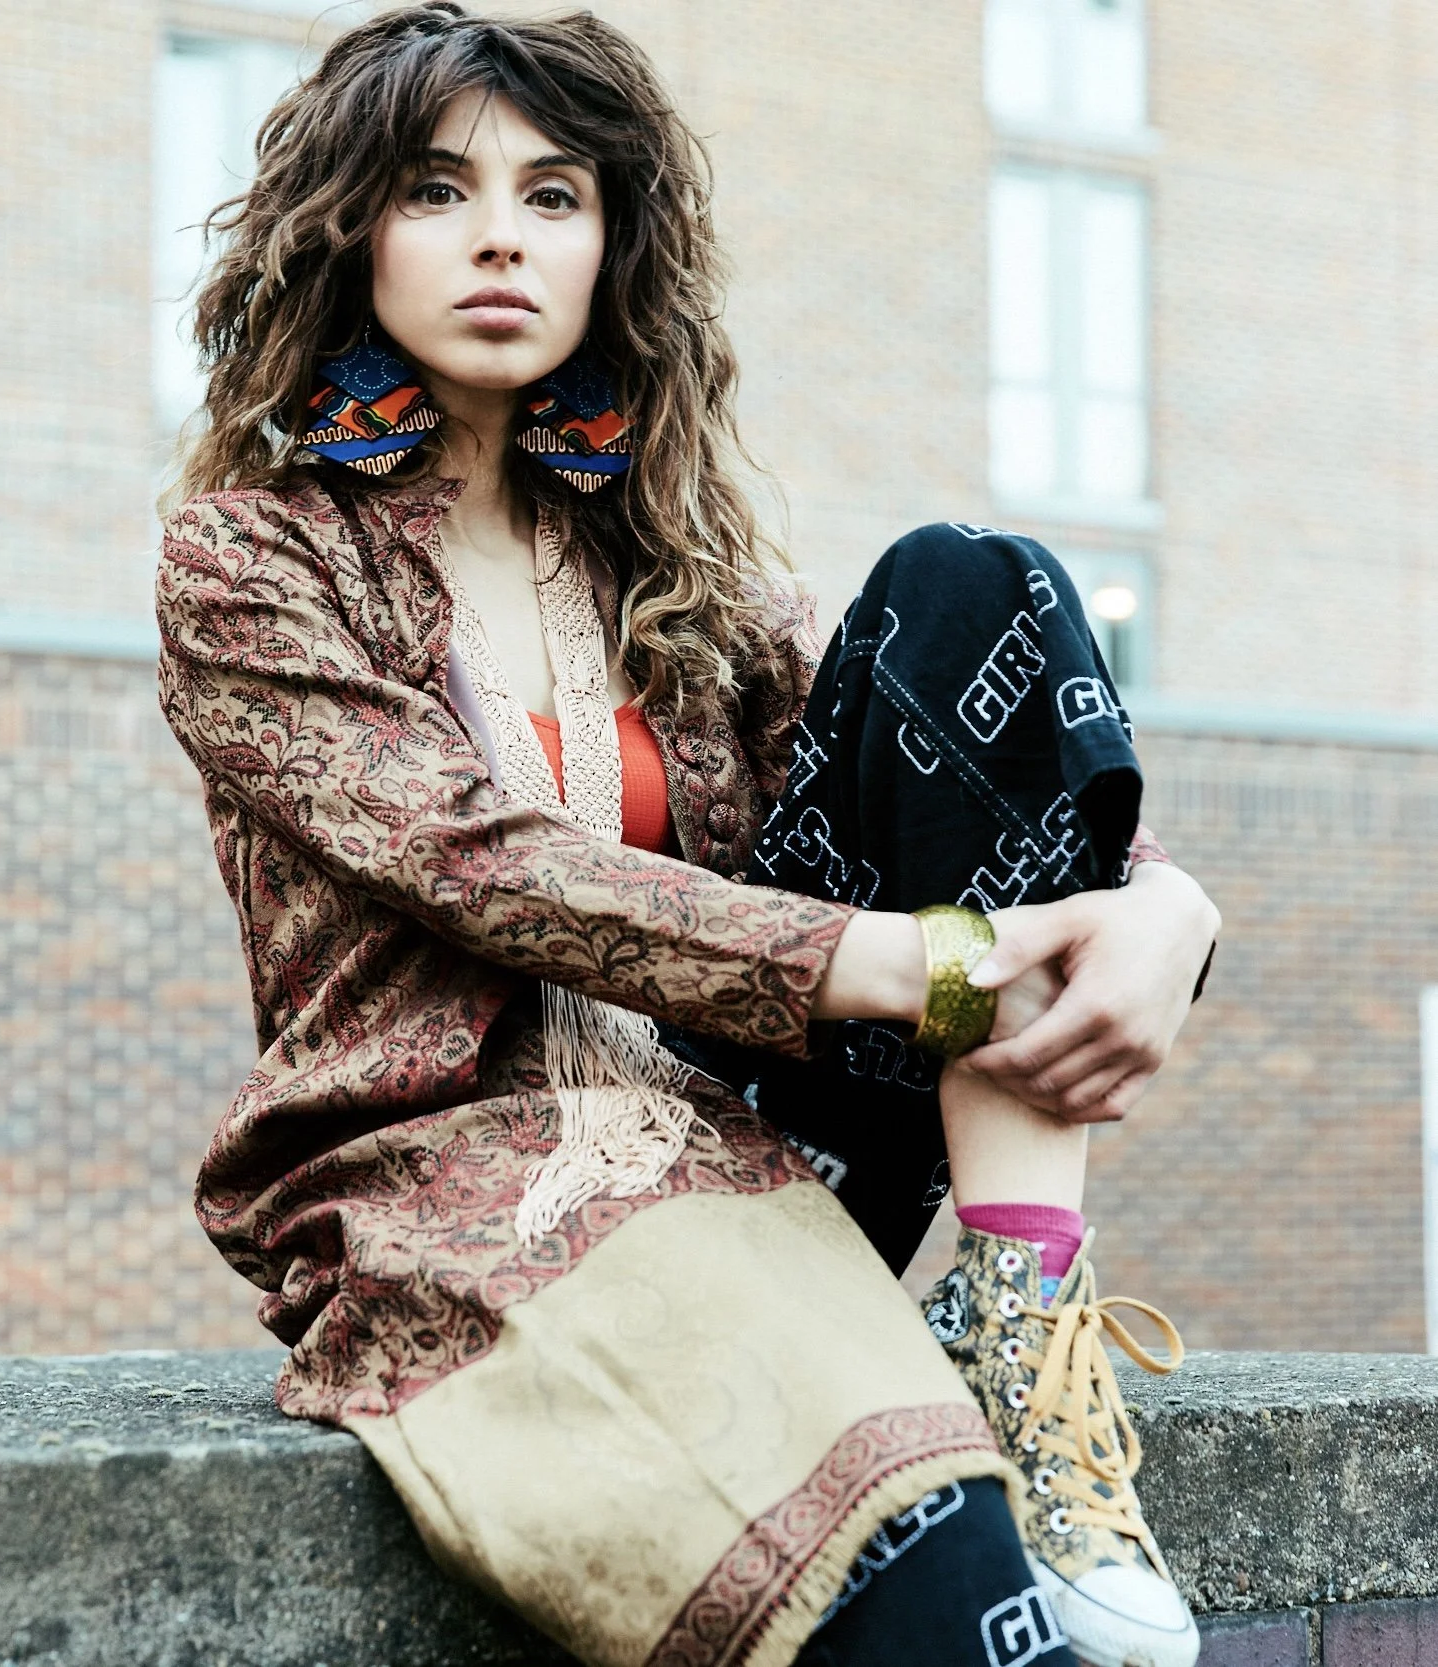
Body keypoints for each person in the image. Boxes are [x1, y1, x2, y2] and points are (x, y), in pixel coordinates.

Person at [155, 8, 1221, 1667]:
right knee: (945, 1594)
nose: (502, 231)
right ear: (352, 233)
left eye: (555, 194)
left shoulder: (685, 577)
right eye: (437, 190)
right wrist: (927, 967)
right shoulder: (249, 562)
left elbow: (971, 787)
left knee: (972, 585)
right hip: (456, 1177)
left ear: (612, 248)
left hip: (750, 1132)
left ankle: (1018, 1299)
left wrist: (1166, 914)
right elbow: (476, 859)